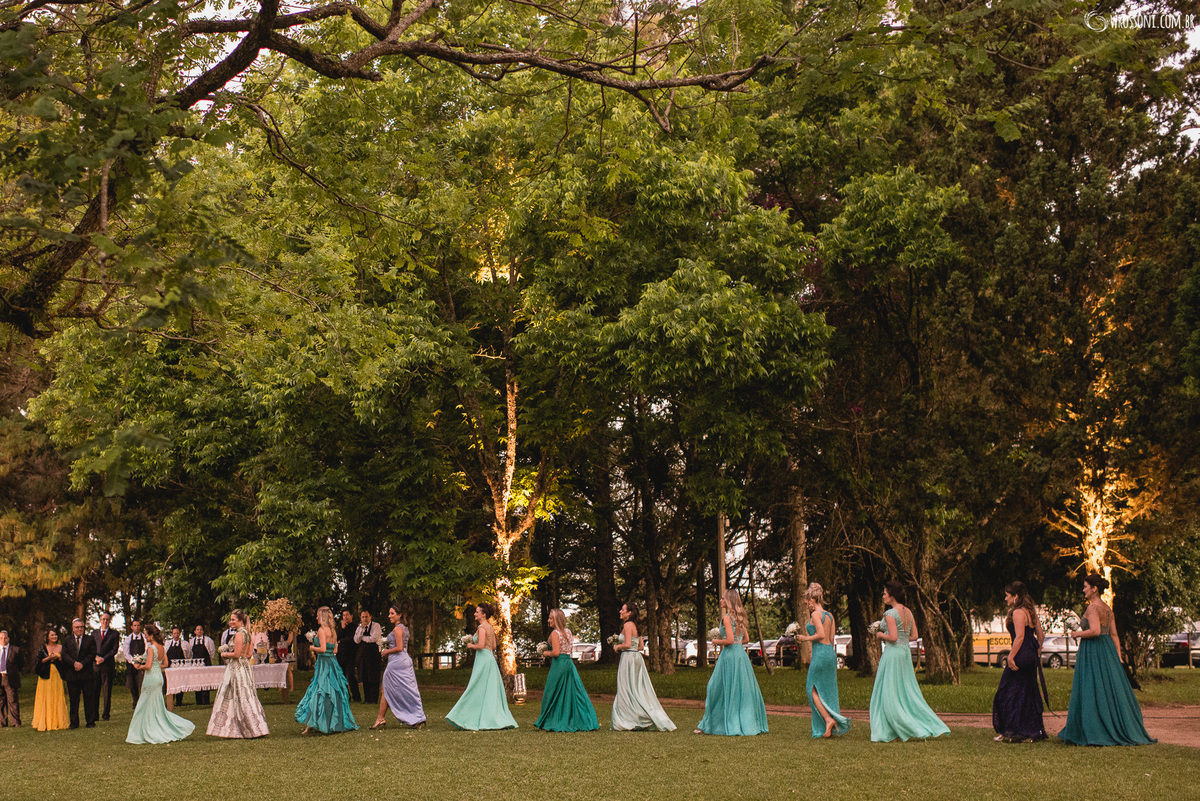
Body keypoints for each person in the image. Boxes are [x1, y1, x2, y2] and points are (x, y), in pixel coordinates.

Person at [1058, 573, 1155, 746]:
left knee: (1091, 686)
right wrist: (1117, 657)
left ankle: (1094, 728)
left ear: (1094, 589)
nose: (1083, 590)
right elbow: (1114, 635)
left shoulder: (1093, 608)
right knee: (1108, 688)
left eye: (1085, 586)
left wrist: (1076, 633)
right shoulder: (1108, 609)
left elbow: (1094, 631)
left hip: (1093, 650)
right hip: (1107, 650)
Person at [868, 581, 950, 742]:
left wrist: (880, 635)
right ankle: (902, 724)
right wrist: (899, 638)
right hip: (904, 653)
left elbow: (892, 637)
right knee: (904, 689)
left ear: (891, 595)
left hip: (893, 653)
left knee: (890, 689)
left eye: (885, 593)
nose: (883, 596)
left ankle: (896, 726)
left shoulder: (890, 614)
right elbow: (914, 636)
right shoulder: (908, 612)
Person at [694, 589, 768, 736]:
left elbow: (728, 640)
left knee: (714, 687)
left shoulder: (727, 618)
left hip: (729, 656)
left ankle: (711, 724)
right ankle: (737, 721)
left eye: (722, 599)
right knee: (739, 689)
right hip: (740, 656)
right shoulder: (739, 618)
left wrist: (716, 641)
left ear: (728, 601)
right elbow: (745, 639)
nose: (720, 601)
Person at [445, 602, 518, 730]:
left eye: (477, 612)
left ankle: (462, 716)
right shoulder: (490, 627)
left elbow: (480, 645)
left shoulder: (482, 627)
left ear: (483, 615)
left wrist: (470, 645)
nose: (475, 614)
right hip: (490, 658)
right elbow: (494, 646)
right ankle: (488, 717)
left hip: (483, 659)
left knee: (476, 686)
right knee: (487, 689)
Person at [991, 581, 1047, 743]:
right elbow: (1040, 635)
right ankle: (1029, 731)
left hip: (1020, 654)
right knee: (1027, 692)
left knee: (1006, 692)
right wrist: (1037, 651)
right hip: (1030, 655)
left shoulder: (1017, 613)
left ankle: (1007, 729)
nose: (1005, 598)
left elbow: (1020, 637)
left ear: (1015, 597)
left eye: (1007, 595)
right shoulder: (1030, 611)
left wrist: (1010, 657)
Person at [793, 583, 851, 738]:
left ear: (812, 599)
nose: (806, 605)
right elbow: (831, 639)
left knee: (811, 688)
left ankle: (828, 720)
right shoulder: (829, 615)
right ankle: (829, 722)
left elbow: (820, 635)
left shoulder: (815, 615)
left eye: (807, 602)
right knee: (826, 689)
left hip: (820, 653)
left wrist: (805, 638)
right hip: (830, 653)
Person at [126, 623, 195, 744]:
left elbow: (148, 666)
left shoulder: (151, 648)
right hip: (159, 677)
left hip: (151, 678)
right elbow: (165, 664)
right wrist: (154, 665)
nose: (145, 636)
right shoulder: (162, 647)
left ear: (151, 635)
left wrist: (138, 666)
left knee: (144, 704)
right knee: (156, 705)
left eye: (146, 634)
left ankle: (147, 731)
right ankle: (156, 727)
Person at [610, 602, 675, 732]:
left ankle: (628, 719)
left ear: (629, 613)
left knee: (626, 688)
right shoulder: (636, 626)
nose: (620, 612)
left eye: (622, 610)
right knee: (636, 688)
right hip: (636, 658)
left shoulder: (628, 625)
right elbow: (640, 647)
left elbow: (628, 644)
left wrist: (617, 646)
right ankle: (638, 717)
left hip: (628, 658)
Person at [295, 606, 359, 734]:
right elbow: (335, 650)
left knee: (319, 691)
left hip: (324, 664)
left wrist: (313, 648)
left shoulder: (322, 630)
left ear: (322, 616)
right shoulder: (333, 631)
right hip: (333, 663)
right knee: (334, 692)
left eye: (318, 615)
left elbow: (323, 649)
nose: (317, 617)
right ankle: (333, 722)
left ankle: (314, 723)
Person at [206, 609, 269, 738]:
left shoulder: (239, 634)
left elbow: (236, 654)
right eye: (230, 620)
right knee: (244, 696)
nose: (230, 622)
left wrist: (224, 653)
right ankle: (248, 727)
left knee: (236, 696)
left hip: (236, 668)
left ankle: (246, 728)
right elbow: (249, 653)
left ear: (240, 621)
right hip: (245, 667)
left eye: (233, 620)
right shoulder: (248, 634)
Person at [535, 608, 599, 731]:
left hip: (559, 664)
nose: (548, 620)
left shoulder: (555, 633)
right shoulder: (568, 631)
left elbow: (556, 652)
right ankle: (578, 719)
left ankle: (552, 720)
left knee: (552, 691)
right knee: (571, 691)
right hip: (568, 663)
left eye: (551, 618)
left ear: (557, 620)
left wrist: (545, 653)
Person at [372, 604, 426, 729]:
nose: (389, 616)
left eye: (392, 613)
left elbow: (399, 648)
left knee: (385, 688)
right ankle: (415, 717)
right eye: (389, 613)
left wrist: (386, 651)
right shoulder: (404, 629)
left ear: (399, 615)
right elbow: (404, 648)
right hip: (404, 660)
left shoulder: (397, 629)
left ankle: (381, 718)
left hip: (397, 662)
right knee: (407, 689)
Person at [61, 617, 99, 729]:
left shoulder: (90, 639)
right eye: (77, 627)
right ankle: (74, 722)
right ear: (73, 629)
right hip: (72, 674)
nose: (80, 629)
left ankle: (90, 722)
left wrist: (82, 664)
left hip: (86, 673)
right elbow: (64, 655)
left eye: (81, 627)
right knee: (73, 700)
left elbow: (92, 654)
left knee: (89, 699)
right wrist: (74, 664)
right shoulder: (67, 640)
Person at [32, 628, 69, 731]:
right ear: (47, 637)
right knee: (45, 697)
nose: (54, 637)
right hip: (45, 675)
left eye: (55, 635)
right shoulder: (43, 648)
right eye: (52, 635)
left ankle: (57, 721)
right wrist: (49, 658)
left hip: (56, 675)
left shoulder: (61, 647)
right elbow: (39, 662)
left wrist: (59, 658)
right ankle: (45, 722)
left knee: (56, 696)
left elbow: (65, 661)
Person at [93, 612, 120, 721]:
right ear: (100, 620)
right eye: (103, 619)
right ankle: (94, 714)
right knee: (95, 690)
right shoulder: (94, 633)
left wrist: (103, 658)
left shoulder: (114, 634)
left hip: (107, 665)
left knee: (107, 691)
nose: (105, 621)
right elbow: (90, 647)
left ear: (110, 621)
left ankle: (106, 714)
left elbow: (114, 650)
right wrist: (96, 658)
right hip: (96, 665)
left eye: (107, 619)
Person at [355, 611, 383, 704]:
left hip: (373, 655)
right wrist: (362, 631)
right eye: (363, 617)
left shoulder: (376, 626)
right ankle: (367, 699)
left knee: (373, 677)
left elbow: (373, 638)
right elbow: (356, 640)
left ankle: (374, 699)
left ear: (370, 617)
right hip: (363, 655)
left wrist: (364, 638)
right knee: (365, 676)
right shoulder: (359, 628)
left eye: (366, 617)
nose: (364, 619)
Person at [122, 619, 148, 709]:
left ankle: (143, 701)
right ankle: (135, 701)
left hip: (142, 663)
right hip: (131, 665)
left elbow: (147, 650)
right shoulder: (128, 638)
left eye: (138, 625)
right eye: (135, 625)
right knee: (132, 684)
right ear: (132, 627)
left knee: (142, 683)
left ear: (140, 626)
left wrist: (141, 660)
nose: (137, 627)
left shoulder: (145, 637)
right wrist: (133, 662)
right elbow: (126, 652)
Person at [337, 610, 360, 702]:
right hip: (340, 654)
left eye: (347, 615)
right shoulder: (340, 627)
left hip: (351, 654)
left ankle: (356, 697)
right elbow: (336, 637)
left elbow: (352, 639)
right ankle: (345, 696)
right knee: (341, 676)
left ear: (351, 615)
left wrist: (341, 641)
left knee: (351, 675)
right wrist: (342, 628)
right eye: (343, 615)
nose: (345, 617)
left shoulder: (355, 627)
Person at [0, 630, 22, 727]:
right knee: (1, 701)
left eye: (5, 637)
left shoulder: (16, 650)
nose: (3, 640)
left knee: (12, 700)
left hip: (10, 677)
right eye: (1, 638)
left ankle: (16, 722)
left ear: (8, 638)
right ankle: (2, 722)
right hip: (0, 677)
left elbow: (21, 664)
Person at [164, 627, 190, 707]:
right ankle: (171, 701)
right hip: (170, 668)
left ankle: (179, 701)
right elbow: (164, 654)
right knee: (170, 684)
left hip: (181, 667)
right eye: (174, 633)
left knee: (180, 683)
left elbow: (189, 655)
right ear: (172, 634)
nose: (176, 635)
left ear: (180, 634)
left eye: (178, 633)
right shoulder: (167, 643)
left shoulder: (185, 644)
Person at [190, 625, 216, 705]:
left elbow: (212, 652)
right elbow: (190, 653)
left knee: (206, 682)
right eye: (197, 629)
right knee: (197, 682)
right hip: (196, 665)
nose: (199, 631)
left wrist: (207, 661)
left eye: (201, 629)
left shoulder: (208, 640)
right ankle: (198, 701)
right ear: (195, 632)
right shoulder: (191, 641)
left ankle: (206, 701)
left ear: (203, 631)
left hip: (206, 664)